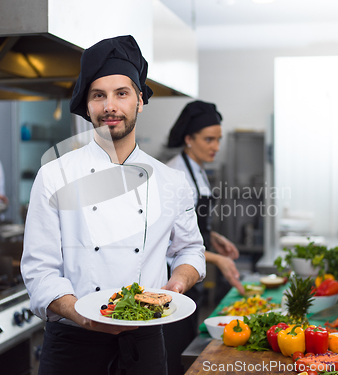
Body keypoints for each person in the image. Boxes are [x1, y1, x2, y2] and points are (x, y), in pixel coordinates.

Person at [20, 35, 206, 375]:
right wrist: (82, 314)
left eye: (121, 93)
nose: (110, 106)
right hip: (71, 346)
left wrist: (177, 284)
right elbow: (39, 270)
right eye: (98, 95)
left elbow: (191, 250)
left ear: (139, 100)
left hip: (145, 341)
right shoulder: (54, 176)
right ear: (87, 106)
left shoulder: (170, 181)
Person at [163, 100, 244, 375]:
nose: (216, 147)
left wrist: (213, 236)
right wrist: (218, 259)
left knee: (188, 339)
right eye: (209, 139)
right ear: (188, 138)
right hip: (174, 276)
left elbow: (190, 222)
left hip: (192, 272)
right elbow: (168, 242)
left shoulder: (197, 168)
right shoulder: (175, 174)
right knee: (175, 349)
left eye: (218, 139)